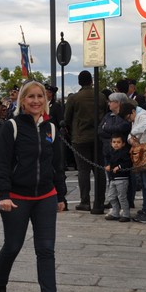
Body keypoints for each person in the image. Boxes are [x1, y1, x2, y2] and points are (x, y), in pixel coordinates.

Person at [0, 81, 70, 292]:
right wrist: (3, 194)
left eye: (40, 97)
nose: (36, 101)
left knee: (46, 250)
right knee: (13, 246)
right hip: (17, 197)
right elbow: (2, 163)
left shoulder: (51, 128)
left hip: (45, 196)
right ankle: (0, 284)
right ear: (22, 101)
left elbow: (57, 165)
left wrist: (61, 195)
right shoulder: (12, 127)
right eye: (30, 97)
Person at [63, 70, 104, 211]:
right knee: (99, 169)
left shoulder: (74, 98)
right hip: (98, 137)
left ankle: (85, 201)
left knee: (83, 170)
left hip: (80, 138)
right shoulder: (101, 96)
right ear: (91, 81)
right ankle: (100, 200)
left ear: (79, 82)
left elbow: (66, 119)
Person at [103, 133, 132, 222]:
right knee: (111, 196)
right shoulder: (111, 153)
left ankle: (126, 214)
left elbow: (127, 163)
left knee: (122, 197)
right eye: (114, 142)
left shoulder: (124, 153)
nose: (116, 144)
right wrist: (108, 166)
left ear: (123, 143)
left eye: (118, 142)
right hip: (113, 178)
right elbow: (110, 162)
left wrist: (119, 167)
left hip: (122, 178)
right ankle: (115, 212)